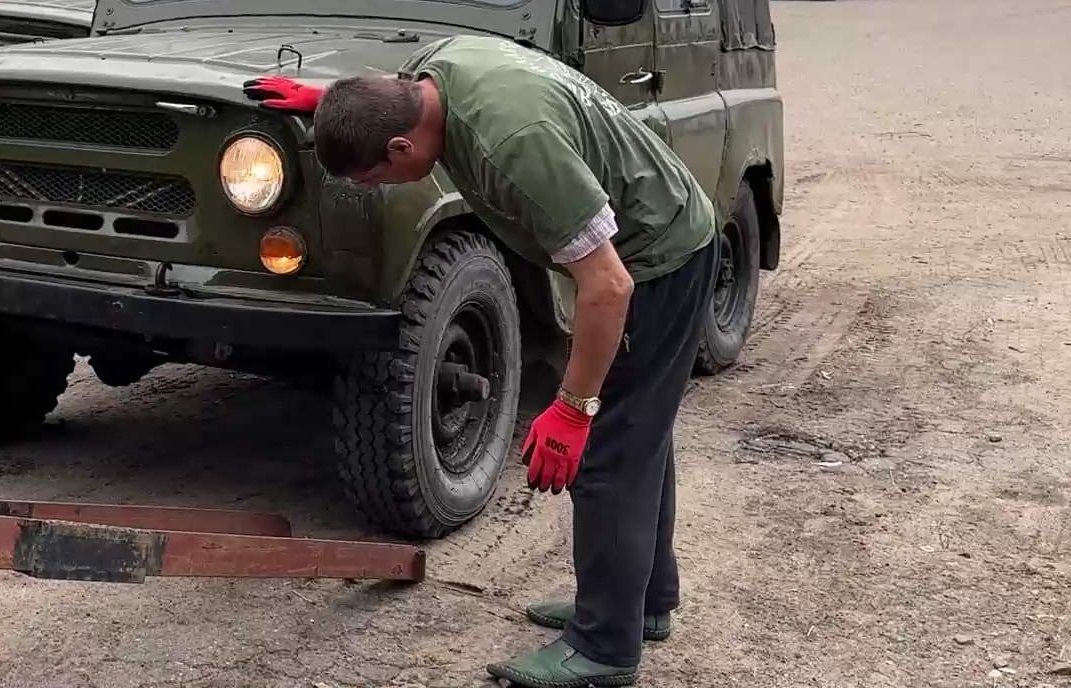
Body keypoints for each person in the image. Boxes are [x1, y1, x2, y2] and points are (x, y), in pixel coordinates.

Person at [245, 35, 717, 688]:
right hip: (660, 224)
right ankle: (641, 604)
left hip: (661, 259)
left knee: (609, 451)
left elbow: (608, 286)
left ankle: (606, 645)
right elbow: (386, 95)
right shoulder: (436, 71)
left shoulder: (513, 150)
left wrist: (571, 409)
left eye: (372, 178)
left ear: (400, 149)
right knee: (638, 438)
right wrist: (331, 106)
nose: (377, 188)